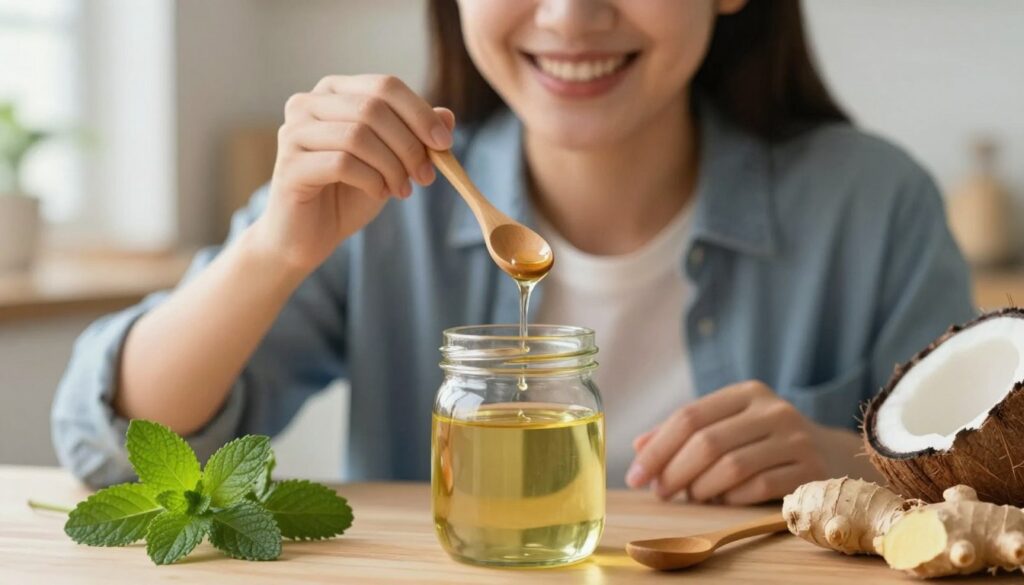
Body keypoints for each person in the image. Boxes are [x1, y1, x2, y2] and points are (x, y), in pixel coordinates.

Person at [52, 0, 975, 504]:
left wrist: (845, 461)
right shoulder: (384, 207)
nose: (571, 18)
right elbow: (117, 454)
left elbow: (993, 483)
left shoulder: (875, 204)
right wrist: (272, 250)